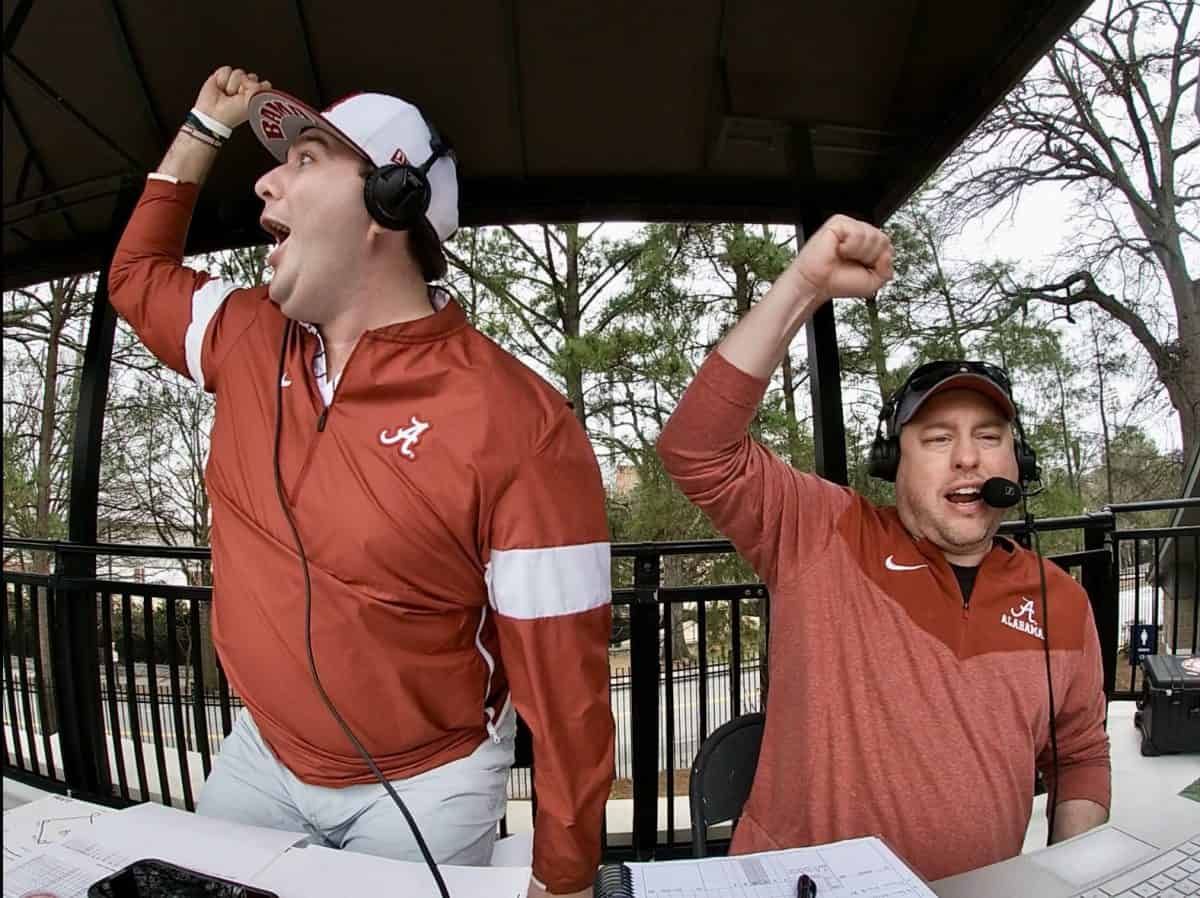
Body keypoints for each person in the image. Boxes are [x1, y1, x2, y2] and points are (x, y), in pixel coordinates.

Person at [108, 66, 614, 898]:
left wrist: (563, 875)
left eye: (305, 160)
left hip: (425, 788)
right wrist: (203, 125)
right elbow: (135, 278)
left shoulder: (519, 421)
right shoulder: (244, 336)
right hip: (259, 760)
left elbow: (564, 680)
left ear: (390, 201)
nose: (265, 179)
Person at [656, 215, 1110, 880]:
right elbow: (696, 450)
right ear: (892, 463)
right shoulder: (821, 531)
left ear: (1020, 462)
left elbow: (1080, 755)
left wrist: (1071, 880)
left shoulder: (1060, 600)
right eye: (935, 439)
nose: (966, 459)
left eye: (988, 437)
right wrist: (805, 284)